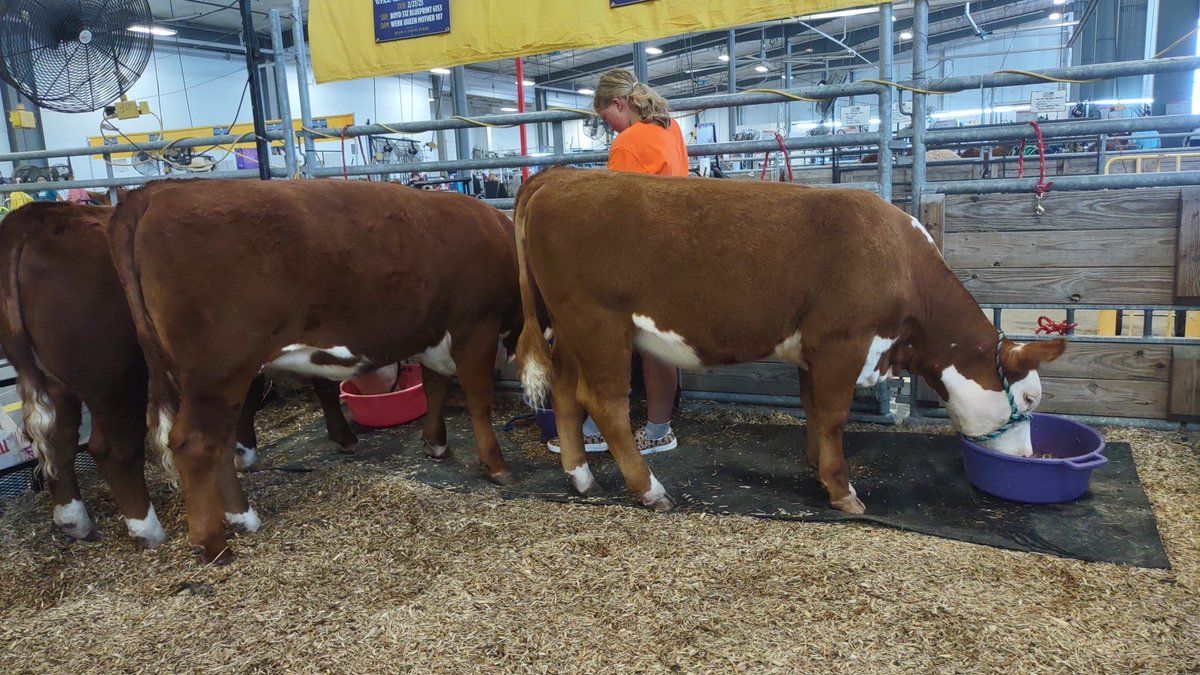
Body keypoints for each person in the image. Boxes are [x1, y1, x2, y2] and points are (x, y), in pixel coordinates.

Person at [545, 67, 687, 456]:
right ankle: (659, 429)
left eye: (606, 117)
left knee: (610, 337)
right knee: (660, 344)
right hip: (675, 249)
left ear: (619, 103)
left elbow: (616, 215)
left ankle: (599, 427)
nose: (608, 127)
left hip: (640, 255)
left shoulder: (628, 142)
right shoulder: (670, 128)